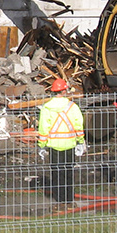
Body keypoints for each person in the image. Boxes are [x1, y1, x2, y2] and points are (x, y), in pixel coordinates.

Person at [37, 78, 86, 210]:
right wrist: (81, 142)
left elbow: (43, 128)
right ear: (65, 91)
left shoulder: (46, 108)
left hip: (54, 146)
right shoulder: (72, 107)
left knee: (57, 174)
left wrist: (41, 146)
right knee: (68, 173)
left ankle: (59, 201)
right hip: (69, 144)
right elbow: (78, 125)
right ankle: (69, 200)